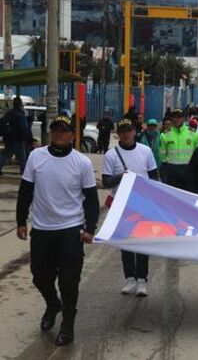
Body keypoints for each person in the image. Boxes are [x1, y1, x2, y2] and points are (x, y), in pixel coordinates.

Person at [16, 115, 99, 346]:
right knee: (40, 277)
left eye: (64, 131)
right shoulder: (36, 157)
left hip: (70, 231)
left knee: (69, 281)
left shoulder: (82, 163)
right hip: (42, 229)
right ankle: (53, 304)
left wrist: (90, 228)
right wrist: (21, 221)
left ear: (73, 135)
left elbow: (91, 200)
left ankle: (68, 325)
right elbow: (25, 191)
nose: (59, 134)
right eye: (55, 130)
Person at [102, 119, 158, 297]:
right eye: (123, 131)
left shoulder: (145, 151)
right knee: (126, 242)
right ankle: (130, 278)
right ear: (118, 133)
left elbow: (154, 177)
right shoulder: (111, 155)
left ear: (135, 131)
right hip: (122, 204)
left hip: (143, 203)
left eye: (129, 130)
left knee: (142, 242)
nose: (126, 134)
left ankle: (142, 280)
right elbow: (105, 182)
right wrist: (120, 176)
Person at [159, 109, 198, 189]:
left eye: (179, 117)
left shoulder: (194, 134)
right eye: (174, 117)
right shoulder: (164, 135)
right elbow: (162, 155)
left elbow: (197, 154)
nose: (176, 119)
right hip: (171, 171)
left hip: (188, 170)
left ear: (184, 118)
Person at [0, 97, 29, 174]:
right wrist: (26, 137)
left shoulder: (9, 113)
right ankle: (24, 171)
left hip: (8, 138)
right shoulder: (21, 114)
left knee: (6, 154)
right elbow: (24, 127)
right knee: (22, 155)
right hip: (18, 138)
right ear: (20, 104)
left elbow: (2, 122)